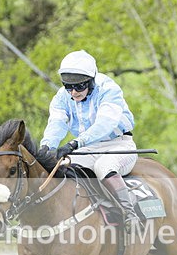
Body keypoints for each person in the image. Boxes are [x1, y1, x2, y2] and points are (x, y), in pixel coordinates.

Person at [39, 50, 141, 232]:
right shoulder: (62, 96)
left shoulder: (109, 90)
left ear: (91, 82)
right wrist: (47, 146)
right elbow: (57, 123)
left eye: (79, 87)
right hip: (88, 148)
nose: (73, 92)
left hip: (118, 145)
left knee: (103, 167)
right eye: (68, 87)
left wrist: (75, 143)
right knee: (61, 168)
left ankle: (130, 214)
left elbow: (104, 124)